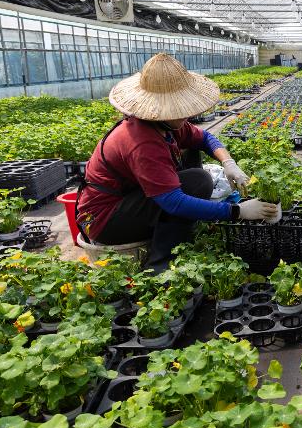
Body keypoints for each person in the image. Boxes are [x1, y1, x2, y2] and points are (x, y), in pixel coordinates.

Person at [76, 53, 278, 271]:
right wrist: (237, 211)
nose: (187, 115)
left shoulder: (164, 124)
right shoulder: (142, 142)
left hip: (131, 200)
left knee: (197, 176)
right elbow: (174, 202)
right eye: (180, 110)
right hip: (105, 221)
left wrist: (229, 163)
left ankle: (177, 234)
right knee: (196, 183)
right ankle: (160, 266)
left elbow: (205, 138)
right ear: (160, 108)